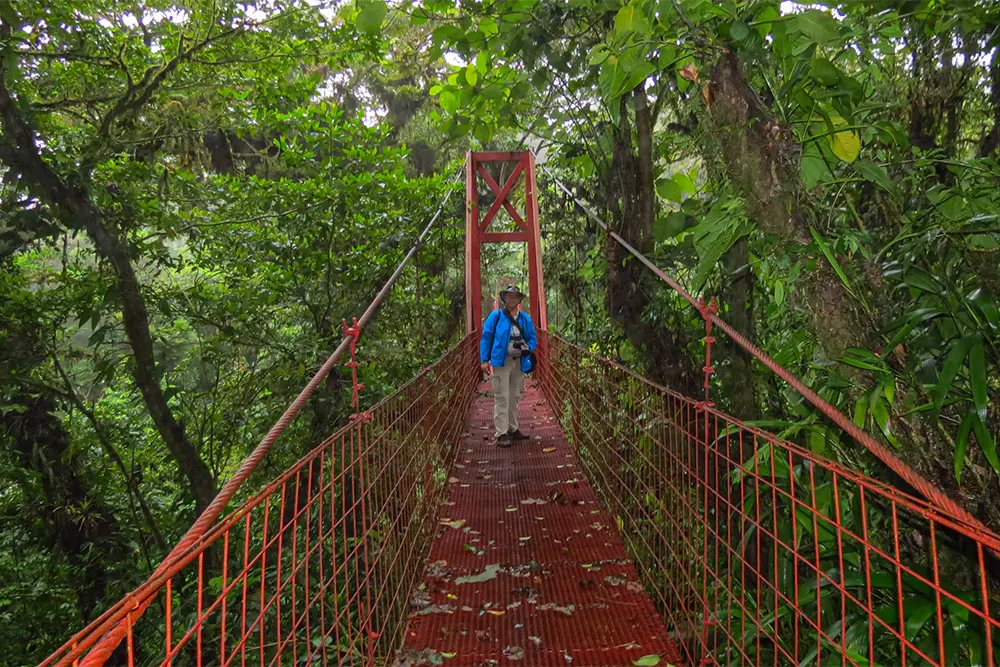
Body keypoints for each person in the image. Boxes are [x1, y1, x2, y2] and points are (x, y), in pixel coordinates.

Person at [479, 285, 537, 447]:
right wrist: (484, 359)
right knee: (502, 396)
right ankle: (501, 433)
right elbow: (486, 337)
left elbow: (532, 338)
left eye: (515, 296)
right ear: (505, 299)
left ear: (519, 300)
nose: (512, 299)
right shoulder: (496, 317)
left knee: (515, 395)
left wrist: (528, 348)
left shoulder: (525, 319)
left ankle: (513, 428)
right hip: (501, 362)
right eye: (509, 296)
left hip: (518, 362)